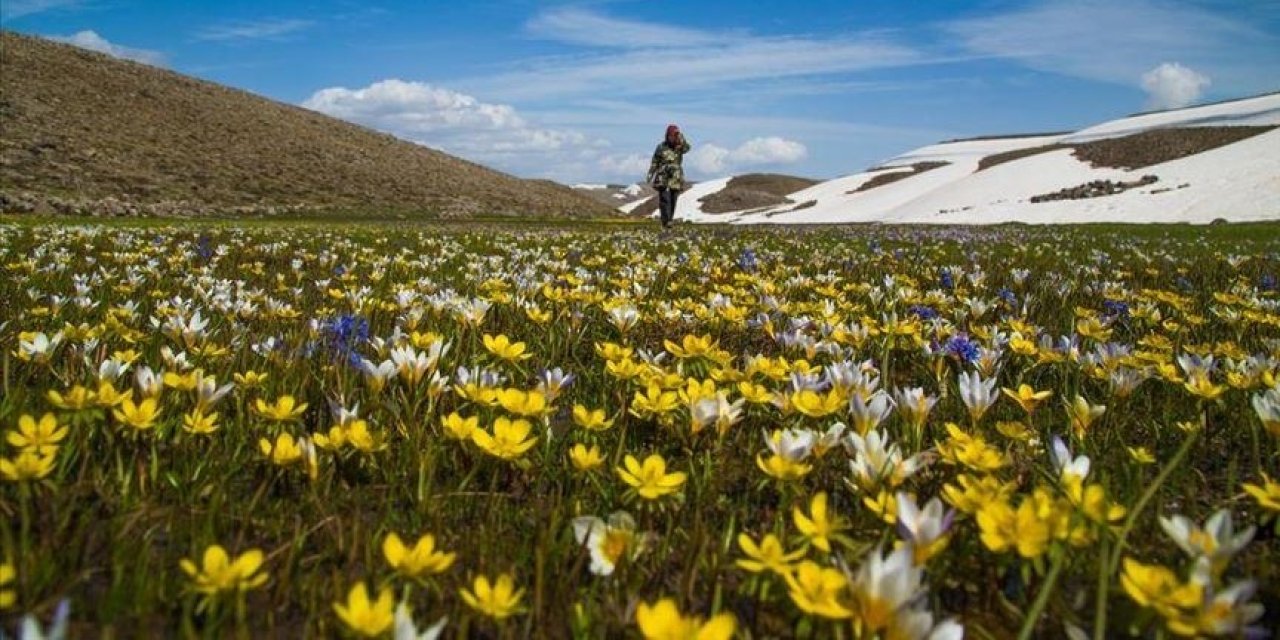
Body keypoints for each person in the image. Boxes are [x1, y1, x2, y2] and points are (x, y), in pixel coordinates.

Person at [646, 124, 691, 230]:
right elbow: (655, 161)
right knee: (665, 199)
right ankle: (666, 221)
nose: (672, 137)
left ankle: (669, 220)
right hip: (663, 176)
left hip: (676, 177)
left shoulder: (679, 146)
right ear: (667, 135)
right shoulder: (661, 147)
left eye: (674, 135)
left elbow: (687, 148)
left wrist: (681, 137)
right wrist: (651, 172)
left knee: (673, 199)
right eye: (671, 135)